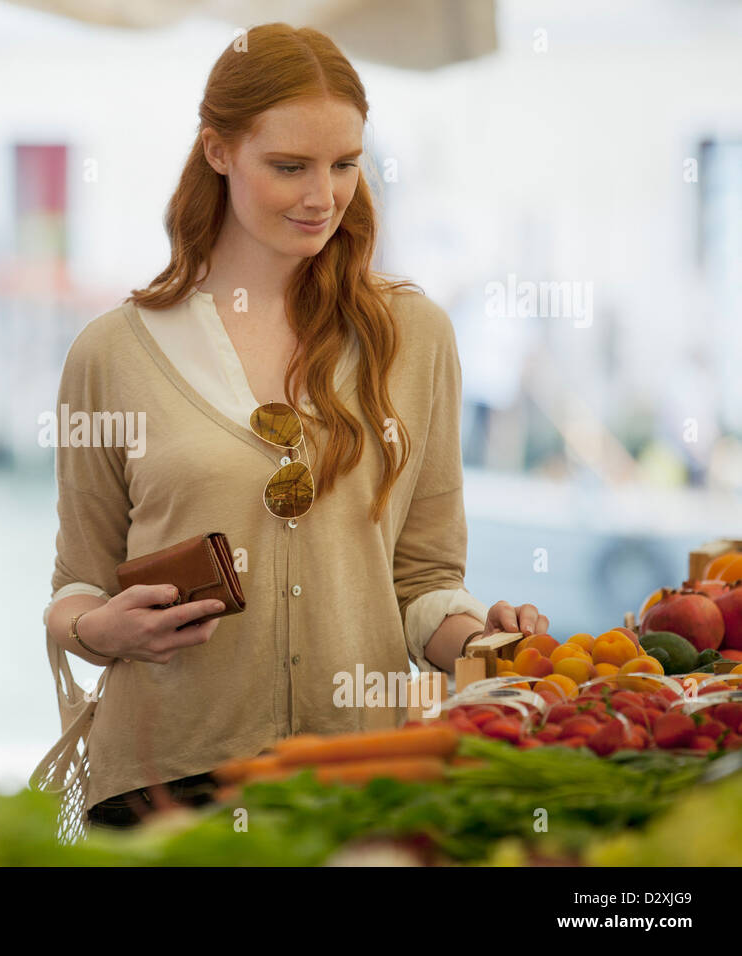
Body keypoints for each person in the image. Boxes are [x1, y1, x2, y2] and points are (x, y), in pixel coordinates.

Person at [42, 23, 549, 831]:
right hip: (163, 786)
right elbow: (77, 587)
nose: (324, 196)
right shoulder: (110, 354)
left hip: (360, 778)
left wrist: (484, 642)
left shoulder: (415, 338)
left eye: (346, 163)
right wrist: (100, 628)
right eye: (290, 167)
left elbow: (421, 583)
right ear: (217, 152)